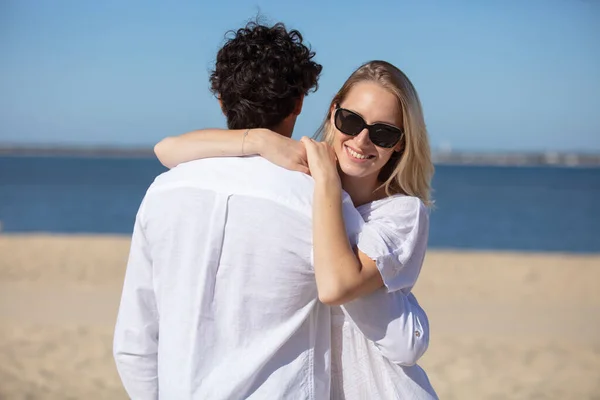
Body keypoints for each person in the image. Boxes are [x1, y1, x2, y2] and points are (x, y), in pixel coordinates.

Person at [154, 60, 438, 399]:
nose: (361, 141)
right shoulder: (302, 172)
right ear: (334, 110)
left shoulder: (402, 212)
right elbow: (166, 149)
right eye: (351, 120)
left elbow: (335, 286)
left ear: (401, 144)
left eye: (383, 133)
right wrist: (261, 140)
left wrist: (328, 184)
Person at [113, 21, 349, 399]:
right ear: (299, 103)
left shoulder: (163, 191)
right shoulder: (318, 197)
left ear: (221, 100)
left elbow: (134, 342)